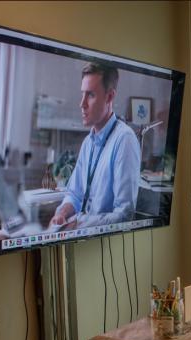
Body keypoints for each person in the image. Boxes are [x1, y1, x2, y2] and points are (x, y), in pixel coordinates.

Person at [50, 63, 140, 229]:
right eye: (82, 94)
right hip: (78, 236)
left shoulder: (124, 140)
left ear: (110, 97)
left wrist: (79, 225)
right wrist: (61, 213)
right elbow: (75, 195)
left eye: (90, 95)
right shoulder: (88, 142)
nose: (82, 104)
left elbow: (124, 214)